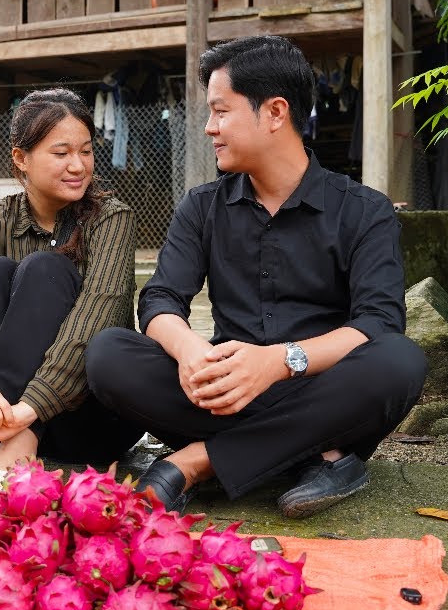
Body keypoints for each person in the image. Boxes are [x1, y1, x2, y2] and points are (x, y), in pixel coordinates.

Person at [85, 36, 427, 518]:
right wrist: (190, 352)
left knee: (400, 360)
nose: (209, 128)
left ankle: (196, 462)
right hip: (228, 394)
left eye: (221, 111)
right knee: (107, 355)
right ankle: (315, 457)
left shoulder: (364, 210)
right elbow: (160, 299)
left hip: (323, 390)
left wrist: (278, 362)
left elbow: (378, 322)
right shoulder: (201, 206)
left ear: (274, 112)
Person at [0, 88, 143, 523]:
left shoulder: (110, 217)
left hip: (84, 420)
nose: (78, 166)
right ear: (21, 158)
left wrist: (23, 416)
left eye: (85, 151)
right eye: (61, 153)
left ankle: (14, 452)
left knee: (44, 269)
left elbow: (100, 315)